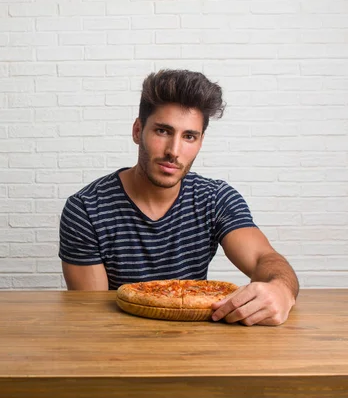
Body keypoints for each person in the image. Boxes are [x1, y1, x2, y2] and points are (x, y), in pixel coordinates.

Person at [58, 69, 299, 326]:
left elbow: (266, 259)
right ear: (138, 130)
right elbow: (94, 315)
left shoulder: (215, 199)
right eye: (163, 131)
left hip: (198, 345)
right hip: (121, 346)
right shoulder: (86, 209)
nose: (174, 151)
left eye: (189, 136)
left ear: (200, 141)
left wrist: (281, 291)